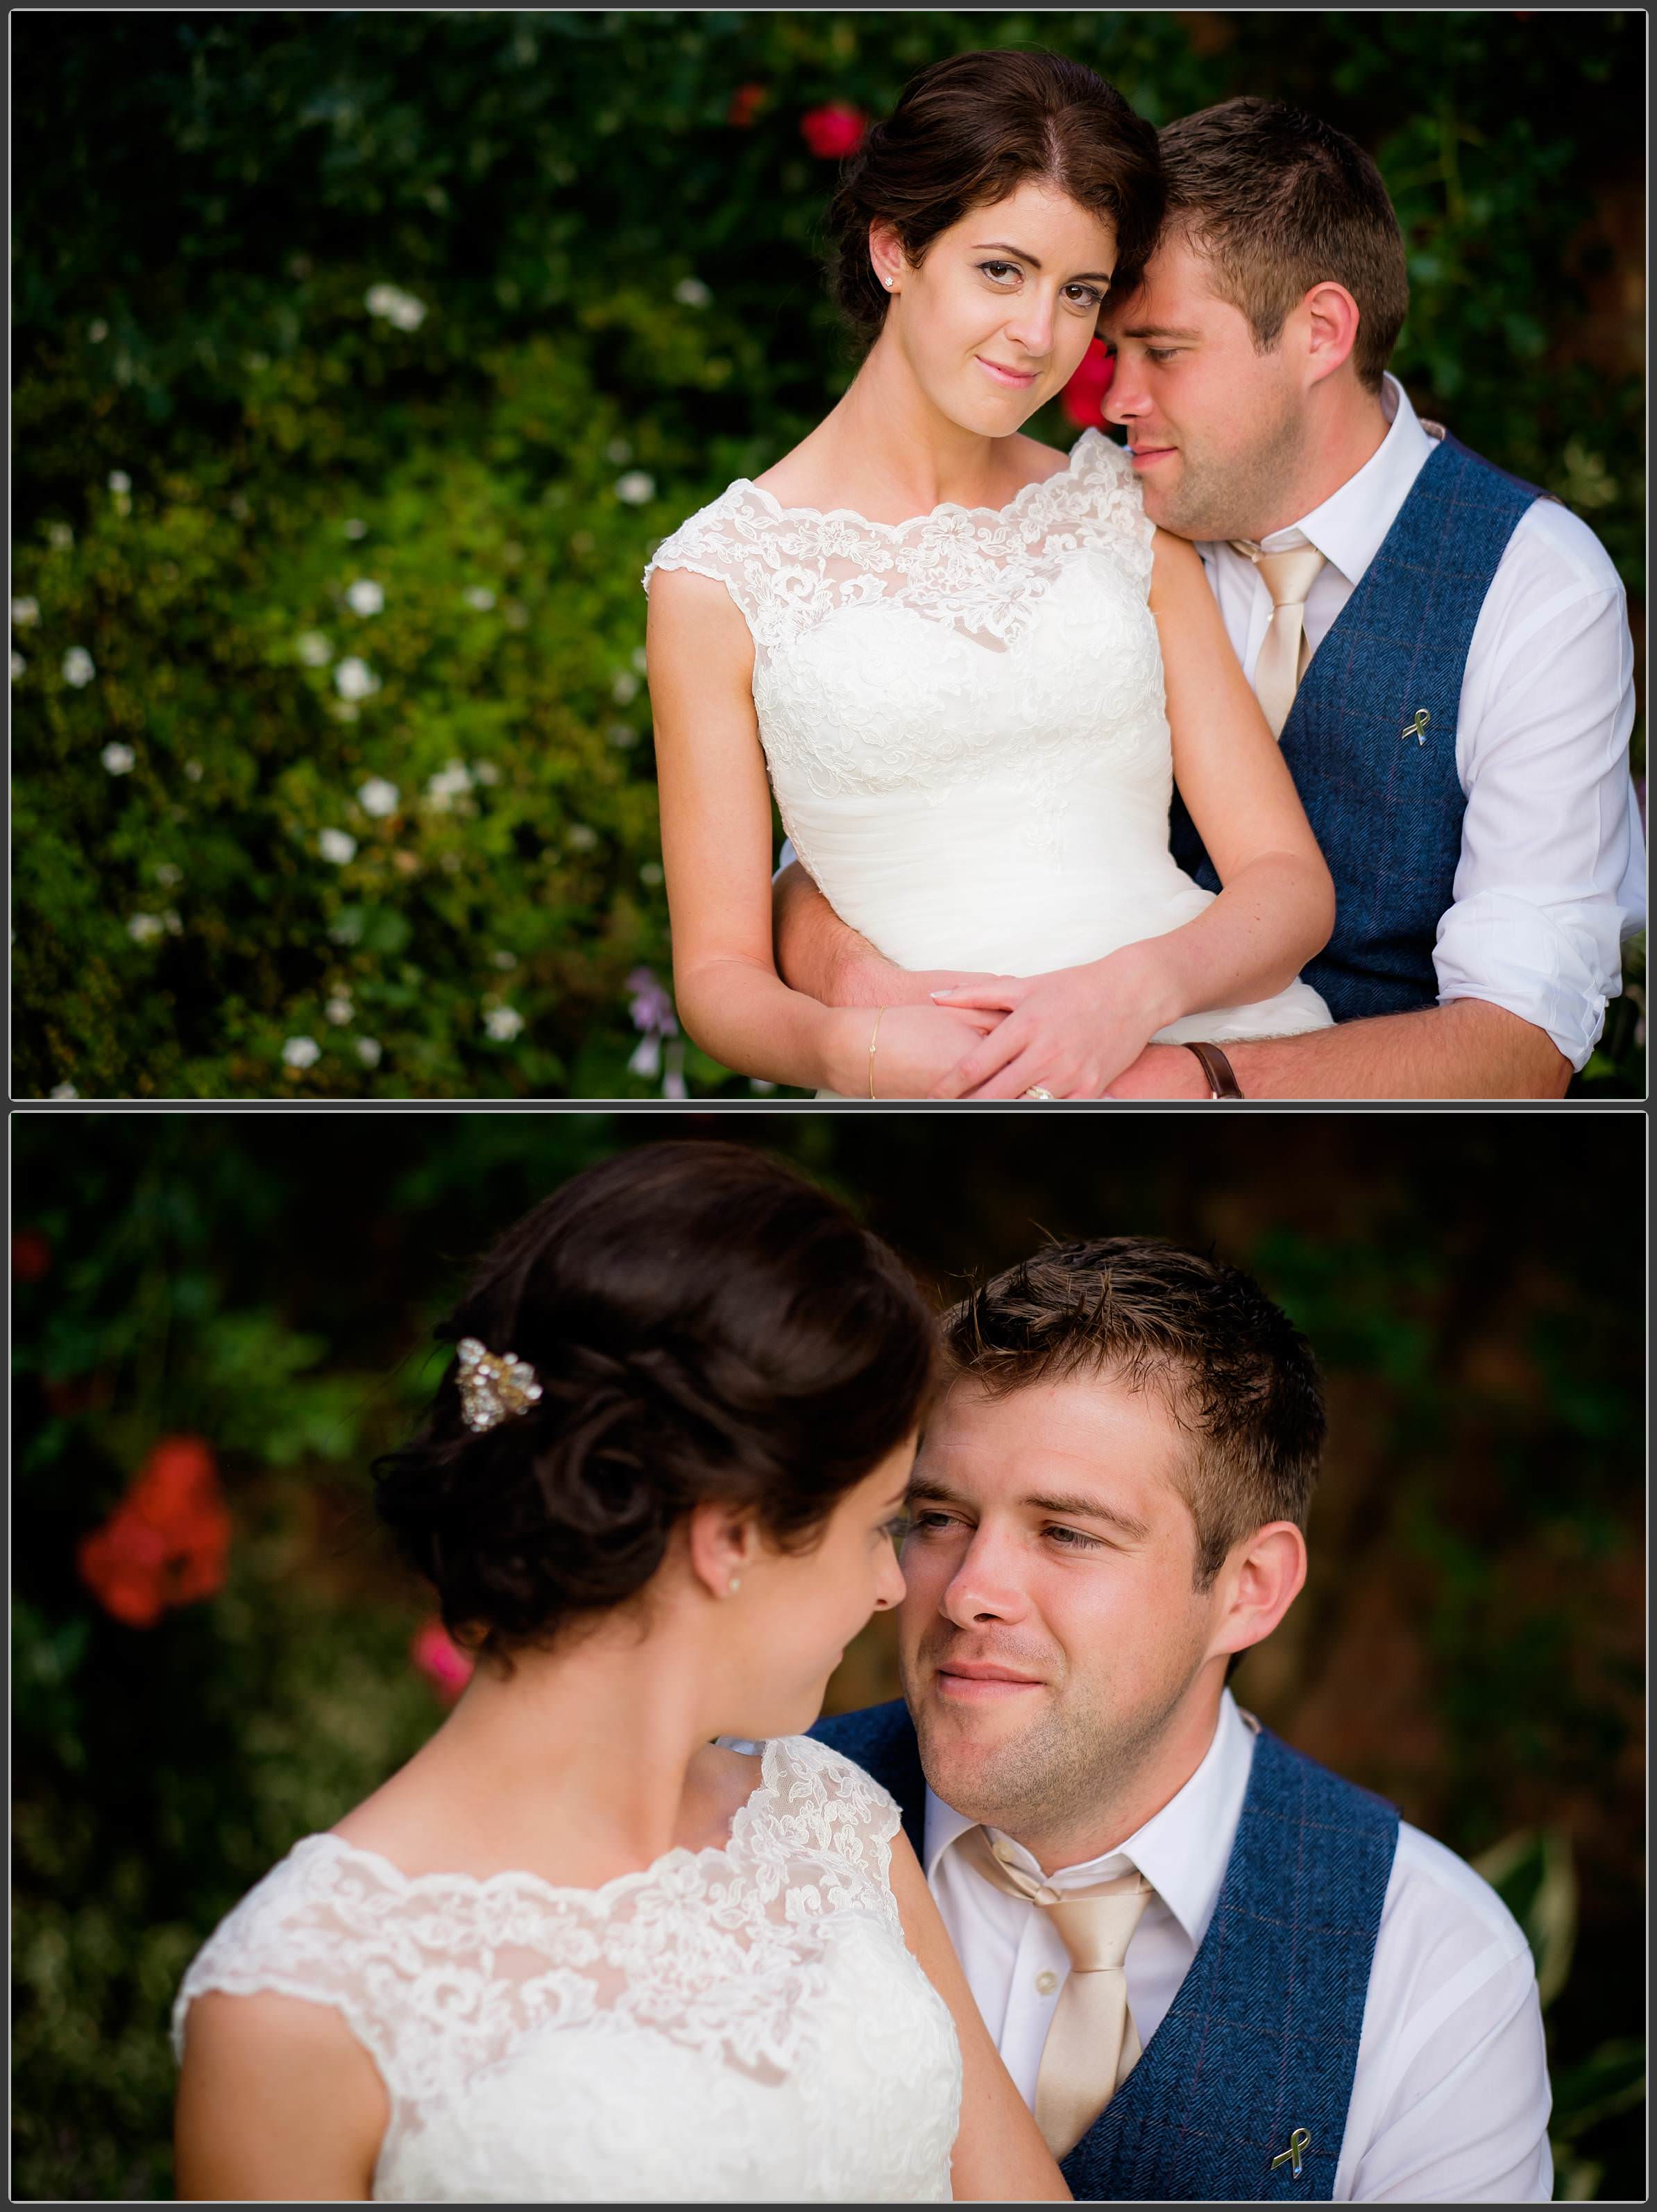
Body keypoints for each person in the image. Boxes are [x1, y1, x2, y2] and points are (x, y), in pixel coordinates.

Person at [171, 1141, 1068, 2204]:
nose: (891, 1587)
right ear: (729, 1535)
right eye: (881, 1527)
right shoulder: (298, 1997)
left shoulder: (831, 1823)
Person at [779, 98, 1646, 1100]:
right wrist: (852, 978)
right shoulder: (1080, 512)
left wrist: (1182, 1082)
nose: (1112, 401)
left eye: (1165, 351)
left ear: (1320, 331)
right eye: (1113, 347)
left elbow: (1519, 1040)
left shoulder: (1535, 588)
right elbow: (860, 813)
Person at [645, 51, 1338, 1101]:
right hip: (936, 1083)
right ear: (894, 250)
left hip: (1199, 1046)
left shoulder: (1118, 512)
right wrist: (851, 1051)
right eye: (1000, 271)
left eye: (1079, 294)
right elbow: (718, 976)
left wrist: (1132, 994)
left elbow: (1287, 887)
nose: (1039, 336)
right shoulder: (718, 578)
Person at [813, 1236, 1554, 2201]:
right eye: (941, 1518)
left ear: (1248, 1589)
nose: (968, 1593)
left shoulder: (1432, 1960)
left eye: (1068, 1532)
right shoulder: (733, 1825)